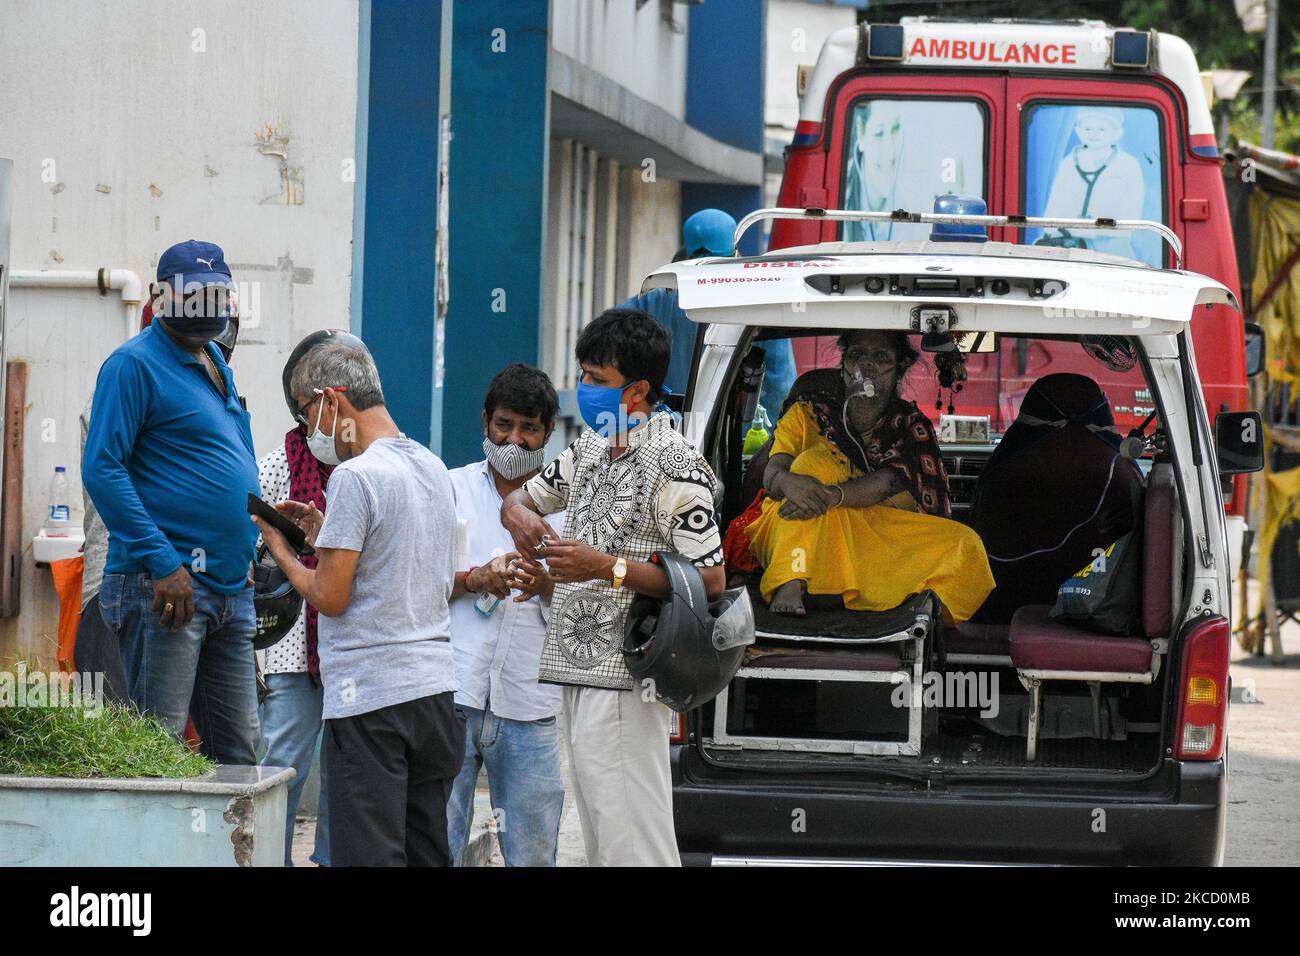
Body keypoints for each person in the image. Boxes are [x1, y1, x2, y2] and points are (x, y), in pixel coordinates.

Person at [500, 308, 726, 867]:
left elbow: (712, 577)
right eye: (582, 375)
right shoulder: (591, 450)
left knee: (633, 840)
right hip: (575, 668)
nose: (583, 390)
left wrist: (609, 568)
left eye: (598, 380)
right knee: (604, 836)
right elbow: (520, 499)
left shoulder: (676, 463)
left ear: (640, 389)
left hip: (628, 674)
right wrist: (523, 524)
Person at [253, 340, 464, 867]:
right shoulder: (432, 467)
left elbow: (330, 596)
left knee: (367, 856)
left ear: (333, 400)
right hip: (436, 694)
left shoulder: (354, 476)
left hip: (372, 702)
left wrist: (280, 547)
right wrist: (327, 537)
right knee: (425, 852)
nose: (308, 431)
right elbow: (401, 562)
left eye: (306, 413)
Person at [83, 241, 260, 762]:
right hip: (164, 589)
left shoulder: (212, 361)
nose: (208, 304)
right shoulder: (132, 366)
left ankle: (225, 848)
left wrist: (250, 538)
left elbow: (228, 459)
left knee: (241, 753)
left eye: (218, 293)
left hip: (231, 589)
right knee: (158, 753)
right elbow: (103, 468)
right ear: (163, 298)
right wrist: (163, 563)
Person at [740, 329, 995, 621]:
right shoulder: (807, 412)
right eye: (857, 354)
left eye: (880, 356)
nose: (867, 365)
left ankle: (918, 602)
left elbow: (888, 482)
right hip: (800, 525)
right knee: (813, 463)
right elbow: (773, 471)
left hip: (873, 536)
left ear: (900, 367)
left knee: (966, 544)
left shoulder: (910, 426)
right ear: (844, 363)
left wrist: (831, 496)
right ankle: (789, 581)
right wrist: (788, 482)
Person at [445, 363, 566, 867]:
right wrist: (475, 579)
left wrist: (545, 586)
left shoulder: (571, 508)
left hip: (530, 703)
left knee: (532, 853)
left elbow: (592, 607)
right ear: (485, 422)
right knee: (434, 842)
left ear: (548, 433)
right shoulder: (447, 489)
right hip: (452, 694)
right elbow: (412, 584)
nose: (514, 439)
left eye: (529, 428)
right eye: (503, 425)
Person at [253, 330, 363, 868]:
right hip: (294, 650)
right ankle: (271, 858)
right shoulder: (278, 466)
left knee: (347, 771)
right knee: (282, 762)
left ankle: (328, 859)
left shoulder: (372, 468)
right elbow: (253, 552)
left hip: (355, 648)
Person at [618, 208, 796, 415]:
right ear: (734, 250)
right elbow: (779, 384)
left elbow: (607, 340)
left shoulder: (656, 299)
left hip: (664, 427)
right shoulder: (760, 301)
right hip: (726, 436)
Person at [1041, 108, 1143, 259]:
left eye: (1102, 129)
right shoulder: (1069, 163)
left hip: (1112, 242)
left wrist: (1106, 231)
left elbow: (1133, 204)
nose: (1094, 134)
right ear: (1078, 131)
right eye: (1088, 128)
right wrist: (1051, 230)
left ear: (1116, 133)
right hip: (1071, 241)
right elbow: (1056, 200)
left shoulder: (1128, 164)